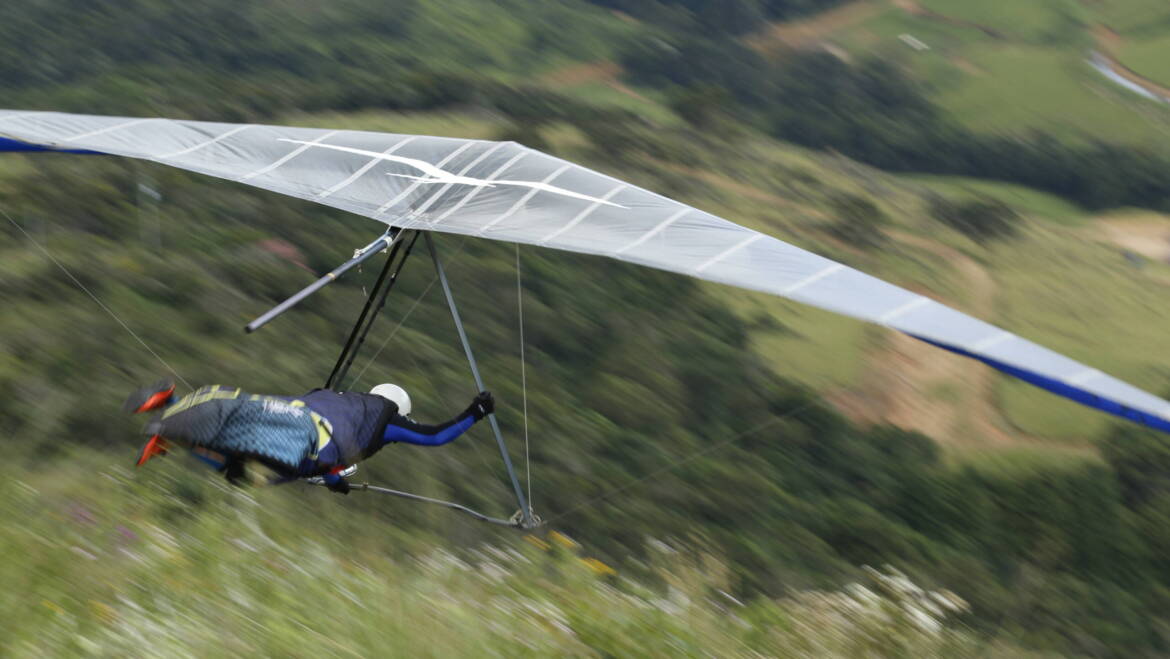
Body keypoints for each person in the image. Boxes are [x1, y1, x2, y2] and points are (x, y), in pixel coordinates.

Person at [125, 380, 494, 494]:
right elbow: (434, 437)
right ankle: (175, 438)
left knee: (237, 422)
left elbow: (334, 458)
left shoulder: (343, 399)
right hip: (305, 443)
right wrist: (476, 411)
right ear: (399, 409)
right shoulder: (385, 421)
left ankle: (172, 407)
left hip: (290, 413)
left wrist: (336, 483)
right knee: (244, 472)